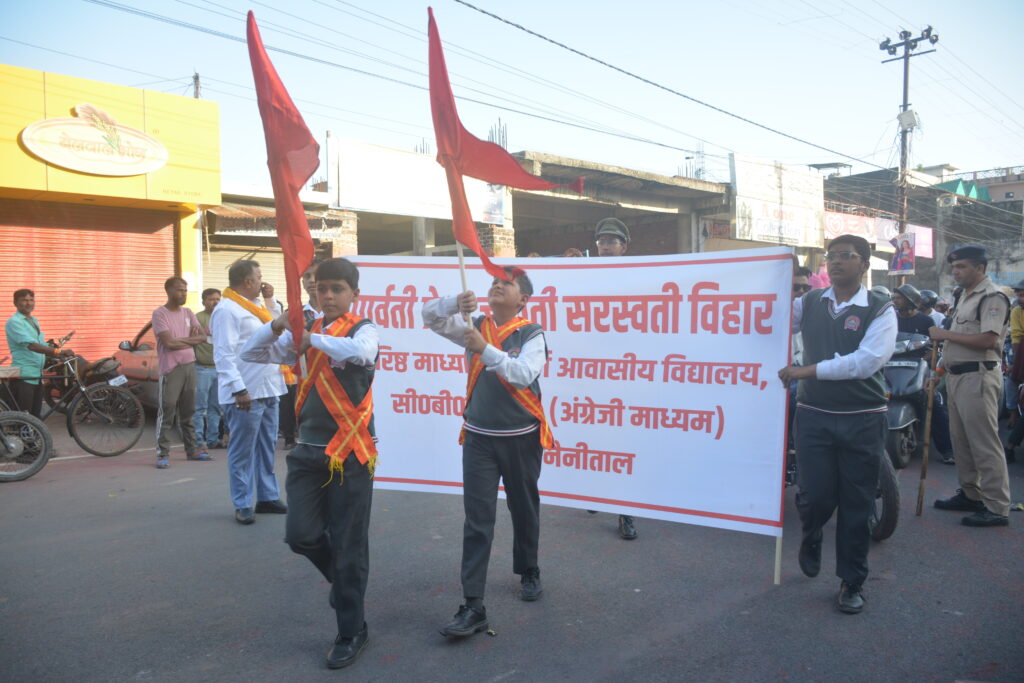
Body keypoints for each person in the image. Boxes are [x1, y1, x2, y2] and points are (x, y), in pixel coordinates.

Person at [241, 258, 379, 669]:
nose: (329, 296)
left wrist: (312, 341)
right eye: (322, 289)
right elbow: (251, 351)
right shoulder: (305, 331)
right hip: (307, 452)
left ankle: (351, 630)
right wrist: (279, 323)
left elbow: (361, 352)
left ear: (354, 293)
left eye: (338, 288)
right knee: (301, 536)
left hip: (351, 453)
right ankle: (343, 579)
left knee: (350, 544)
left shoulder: (363, 328)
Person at [424, 267, 551, 638]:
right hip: (479, 438)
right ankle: (473, 605)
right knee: (477, 520)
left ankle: (528, 568)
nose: (496, 285)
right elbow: (429, 317)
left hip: (520, 438)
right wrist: (453, 303)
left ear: (522, 300)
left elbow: (522, 374)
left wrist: (484, 349)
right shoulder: (473, 323)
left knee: (523, 507)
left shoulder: (532, 334)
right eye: (494, 282)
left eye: (506, 283)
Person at [777, 234, 897, 614]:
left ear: (864, 264)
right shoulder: (809, 301)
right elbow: (770, 321)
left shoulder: (880, 308)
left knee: (857, 503)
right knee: (814, 496)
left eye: (847, 256)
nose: (837, 262)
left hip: (862, 418)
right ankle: (811, 535)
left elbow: (865, 362)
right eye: (832, 256)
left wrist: (805, 371)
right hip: (814, 416)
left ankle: (852, 580)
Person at [930, 246, 1012, 527]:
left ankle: (997, 507)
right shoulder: (962, 296)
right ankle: (970, 494)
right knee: (961, 441)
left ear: (980, 268)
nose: (956, 272)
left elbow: (989, 339)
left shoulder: (992, 298)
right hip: (956, 376)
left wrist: (944, 333)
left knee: (984, 443)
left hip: (978, 377)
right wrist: (939, 370)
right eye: (954, 267)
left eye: (962, 266)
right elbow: (956, 343)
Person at [210, 259, 288, 524]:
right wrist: (238, 389)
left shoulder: (255, 306)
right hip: (245, 393)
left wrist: (271, 299)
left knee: (267, 447)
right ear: (248, 281)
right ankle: (243, 502)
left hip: (268, 387)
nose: (262, 280)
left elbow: (277, 327)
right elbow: (223, 355)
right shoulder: (226, 310)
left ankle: (267, 496)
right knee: (242, 451)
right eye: (259, 276)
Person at [589, 216, 639, 539]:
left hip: (625, 371)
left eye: (612, 242)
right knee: (591, 437)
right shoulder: (580, 275)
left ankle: (626, 512)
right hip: (590, 371)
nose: (606, 247)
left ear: (624, 247)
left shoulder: (638, 278)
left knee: (624, 443)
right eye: (602, 242)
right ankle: (591, 491)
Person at [152, 277, 209, 469]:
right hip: (171, 368)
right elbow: (169, 343)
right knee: (167, 410)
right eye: (179, 290)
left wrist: (184, 340)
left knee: (189, 412)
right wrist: (190, 339)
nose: (183, 293)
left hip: (189, 366)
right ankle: (162, 453)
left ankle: (192, 450)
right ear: (168, 291)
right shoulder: (160, 314)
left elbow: (202, 337)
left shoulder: (188, 312)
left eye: (185, 290)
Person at [4, 288, 75, 417]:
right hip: (24, 375)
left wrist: (53, 348)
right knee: (24, 416)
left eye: (31, 300)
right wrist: (58, 351)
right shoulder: (14, 322)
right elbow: (31, 345)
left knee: (36, 416)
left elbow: (39, 343)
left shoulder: (33, 321)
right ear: (15, 303)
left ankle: (34, 436)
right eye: (24, 300)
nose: (29, 303)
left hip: (37, 374)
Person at [193, 288, 223, 451]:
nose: (215, 302)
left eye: (218, 299)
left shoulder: (224, 318)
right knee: (199, 408)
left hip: (220, 370)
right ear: (204, 301)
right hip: (202, 369)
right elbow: (190, 342)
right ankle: (198, 440)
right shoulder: (197, 319)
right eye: (211, 299)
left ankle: (213, 440)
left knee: (216, 408)